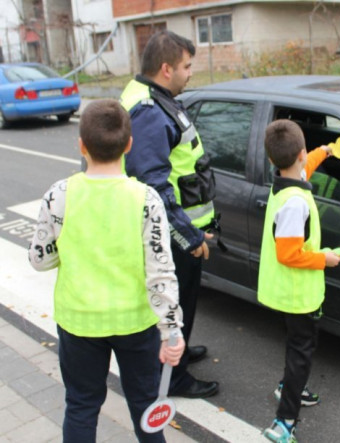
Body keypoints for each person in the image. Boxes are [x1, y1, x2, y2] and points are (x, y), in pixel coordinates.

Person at [27, 99, 185, 442]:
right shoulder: (146, 200)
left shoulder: (60, 195)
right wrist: (172, 330)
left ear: (81, 145)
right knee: (145, 405)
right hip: (135, 323)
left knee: (81, 405)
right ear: (129, 144)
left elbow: (40, 259)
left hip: (79, 322)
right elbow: (161, 272)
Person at [120, 30, 219, 398]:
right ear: (166, 69)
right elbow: (153, 184)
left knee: (182, 302)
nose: (190, 72)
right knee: (174, 303)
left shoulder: (155, 97)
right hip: (173, 233)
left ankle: (178, 352)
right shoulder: (148, 110)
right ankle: (174, 377)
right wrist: (188, 236)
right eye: (186, 66)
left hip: (181, 227)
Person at [258, 119, 340, 443]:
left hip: (285, 290)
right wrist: (326, 259)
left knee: (296, 345)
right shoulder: (295, 204)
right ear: (301, 154)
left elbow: (306, 168)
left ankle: (286, 387)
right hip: (296, 293)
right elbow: (288, 254)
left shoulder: (284, 182)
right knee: (301, 353)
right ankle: (284, 422)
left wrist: (326, 151)